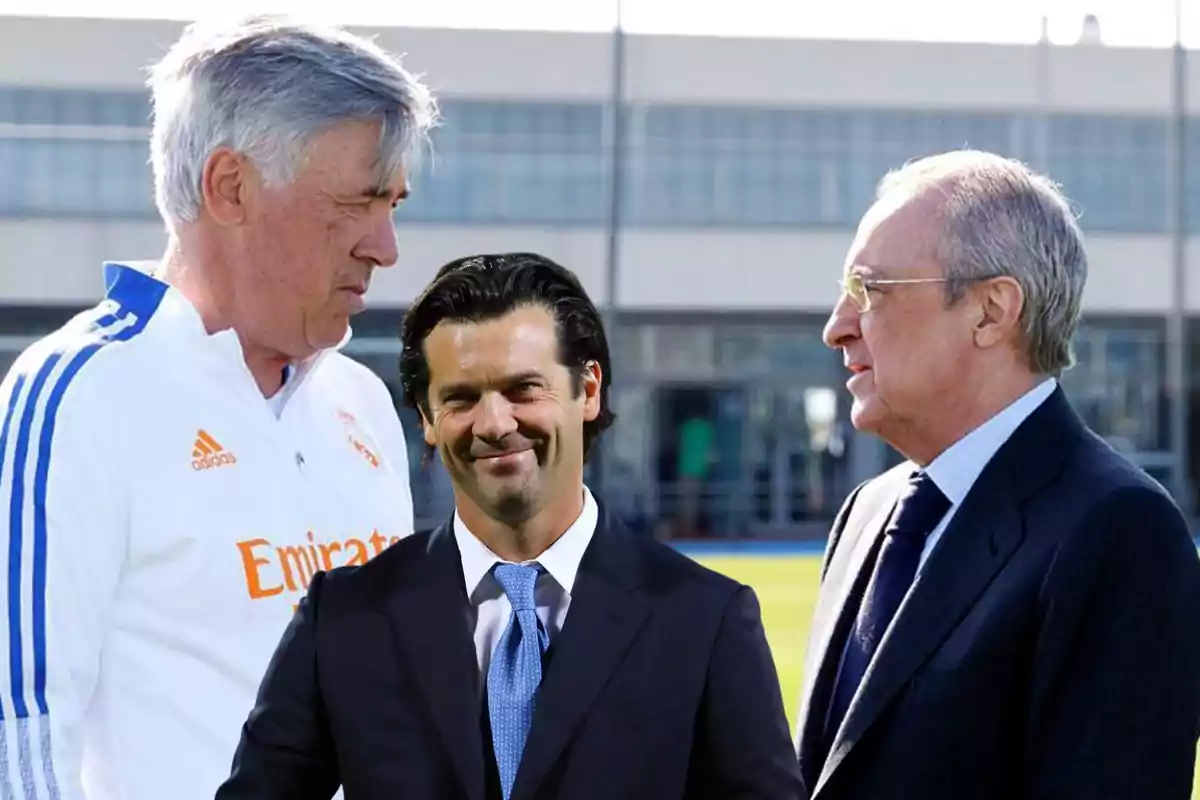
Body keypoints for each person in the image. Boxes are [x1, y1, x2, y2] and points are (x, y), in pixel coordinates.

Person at [0, 14, 437, 800]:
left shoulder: (363, 406)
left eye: (394, 204)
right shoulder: (77, 397)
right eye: (358, 202)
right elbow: (19, 732)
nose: (386, 246)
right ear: (230, 187)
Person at [215, 252, 805, 800]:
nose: (494, 424)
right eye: (461, 398)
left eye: (523, 389)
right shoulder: (342, 618)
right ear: (425, 418)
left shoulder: (704, 621)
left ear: (589, 390)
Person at [793, 150, 1200, 799]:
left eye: (869, 291)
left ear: (991, 311)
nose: (836, 329)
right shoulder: (868, 513)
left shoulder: (1119, 531)